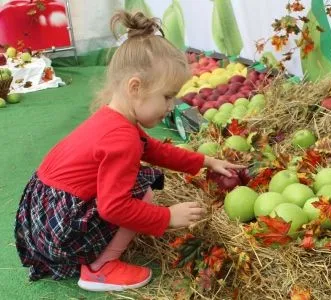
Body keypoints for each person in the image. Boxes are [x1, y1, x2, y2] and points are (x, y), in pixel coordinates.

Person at [14, 10, 243, 292]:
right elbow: (114, 207)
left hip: (42, 215)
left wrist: (205, 160)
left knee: (136, 180)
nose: (171, 106)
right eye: (167, 96)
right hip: (58, 230)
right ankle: (101, 268)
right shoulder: (121, 138)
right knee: (142, 187)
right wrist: (168, 217)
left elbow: (154, 150)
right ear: (135, 87)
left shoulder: (114, 118)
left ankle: (94, 256)